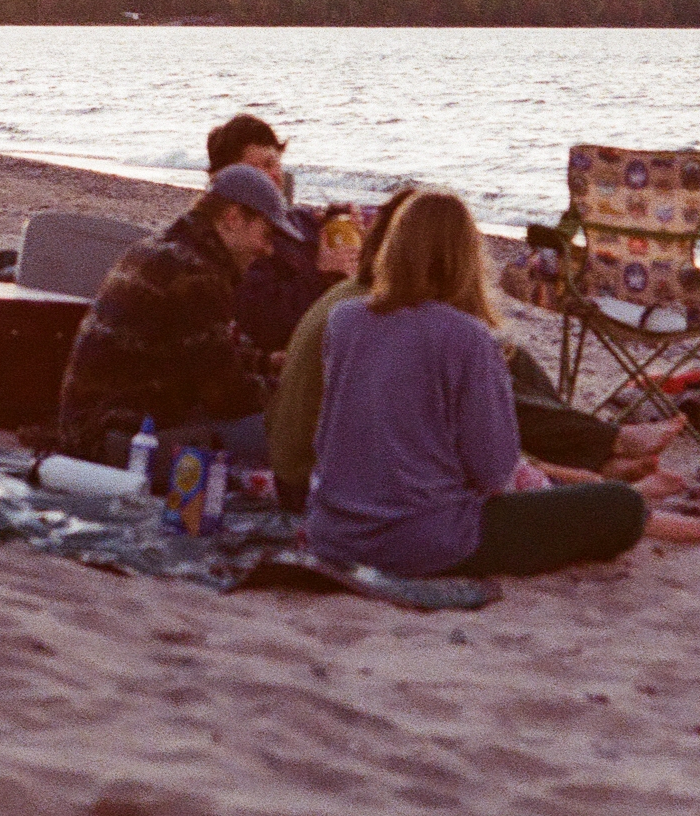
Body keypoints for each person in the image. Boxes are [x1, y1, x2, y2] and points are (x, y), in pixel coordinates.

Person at [307, 192, 657, 579]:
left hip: (333, 531)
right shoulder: (467, 337)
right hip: (421, 539)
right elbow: (493, 471)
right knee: (622, 507)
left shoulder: (345, 319)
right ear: (468, 259)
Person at [57, 160, 306, 476]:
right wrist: (296, 391)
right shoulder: (194, 274)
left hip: (91, 430)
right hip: (112, 447)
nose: (269, 250)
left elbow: (204, 354)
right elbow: (229, 399)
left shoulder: (168, 249)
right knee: (284, 433)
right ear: (232, 218)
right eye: (267, 234)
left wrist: (266, 364)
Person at [205, 112, 349, 362]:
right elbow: (268, 325)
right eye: (256, 169)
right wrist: (322, 276)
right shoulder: (233, 239)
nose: (270, 176)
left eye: (273, 164)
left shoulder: (301, 220)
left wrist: (343, 222)